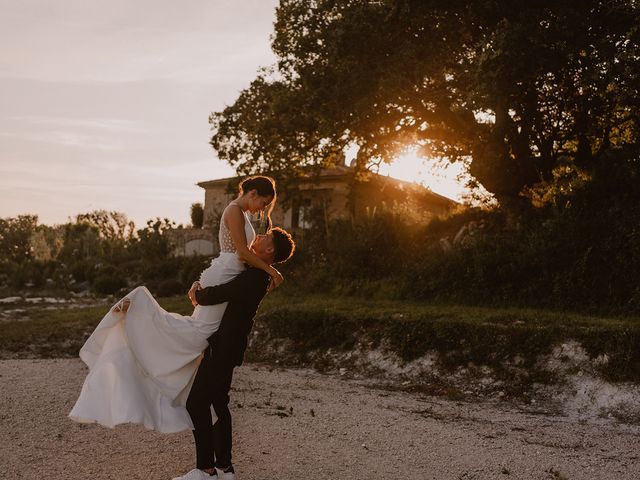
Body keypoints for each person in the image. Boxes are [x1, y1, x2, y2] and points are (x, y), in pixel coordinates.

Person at [69, 176, 283, 433]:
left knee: (199, 331)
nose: (262, 207)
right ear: (252, 192)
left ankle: (190, 393)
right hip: (225, 271)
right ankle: (139, 304)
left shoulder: (243, 215)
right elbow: (241, 251)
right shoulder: (234, 210)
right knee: (199, 332)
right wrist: (272, 271)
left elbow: (244, 257)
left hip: (225, 273)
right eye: (263, 201)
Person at [173, 227, 295, 480]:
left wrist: (198, 292)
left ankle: (205, 470)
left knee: (196, 402)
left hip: (224, 347)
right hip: (228, 346)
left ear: (269, 250)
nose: (257, 237)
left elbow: (218, 294)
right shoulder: (257, 274)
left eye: (264, 237)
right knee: (218, 403)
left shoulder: (255, 277)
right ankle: (225, 468)